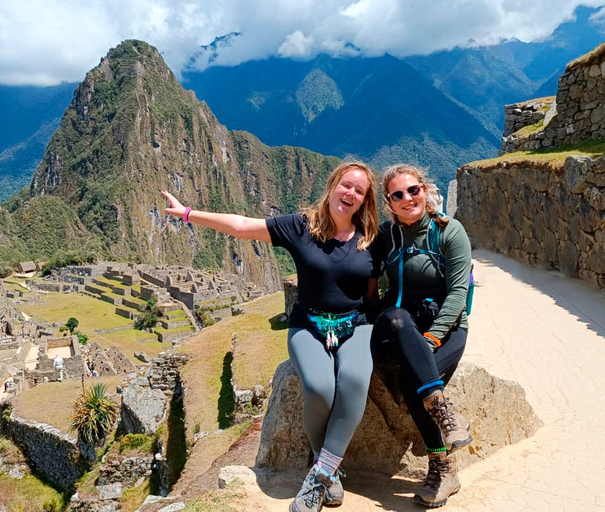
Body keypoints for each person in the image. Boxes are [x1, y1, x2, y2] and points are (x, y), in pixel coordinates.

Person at [162, 161, 379, 512]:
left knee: (354, 380)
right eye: (346, 185)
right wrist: (188, 213)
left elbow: (384, 282)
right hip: (307, 325)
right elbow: (243, 226)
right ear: (333, 185)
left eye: (359, 190)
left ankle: (321, 473)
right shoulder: (301, 227)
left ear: (365, 200)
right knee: (320, 388)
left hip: (356, 325)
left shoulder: (372, 238)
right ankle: (329, 468)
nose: (350, 194)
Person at [368, 164, 473, 508]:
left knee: (416, 386)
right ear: (389, 202)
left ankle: (443, 469)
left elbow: (457, 293)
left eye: (413, 190)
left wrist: (430, 341)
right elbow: (359, 272)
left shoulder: (449, 232)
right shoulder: (386, 236)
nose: (407, 198)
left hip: (447, 325)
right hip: (399, 326)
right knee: (396, 318)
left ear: (424, 191)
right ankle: (445, 413)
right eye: (398, 195)